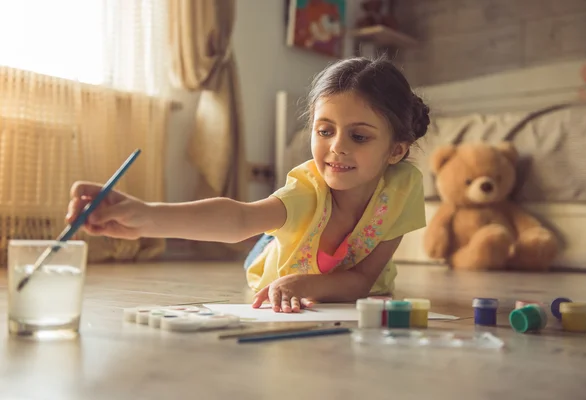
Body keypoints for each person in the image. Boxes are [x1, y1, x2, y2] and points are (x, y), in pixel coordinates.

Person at [66, 56, 431, 314]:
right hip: (276, 257)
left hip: (340, 276)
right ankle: (270, 239)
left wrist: (308, 285)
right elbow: (239, 219)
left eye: (360, 136)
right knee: (263, 230)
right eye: (325, 131)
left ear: (395, 150)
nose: (336, 146)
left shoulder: (404, 187)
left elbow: (363, 279)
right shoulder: (308, 190)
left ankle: (273, 235)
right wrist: (145, 216)